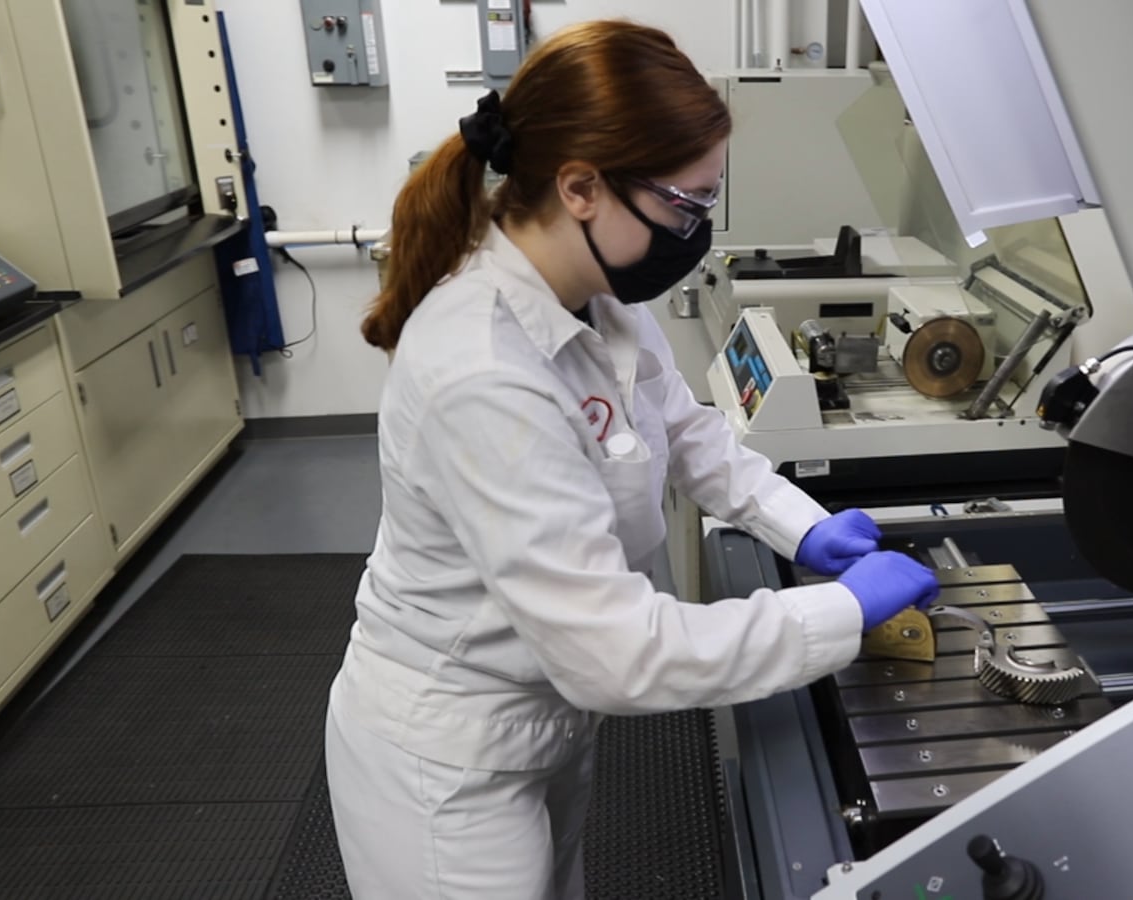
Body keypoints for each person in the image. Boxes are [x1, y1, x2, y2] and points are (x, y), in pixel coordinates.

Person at [322, 19, 940, 900]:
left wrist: (802, 529)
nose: (694, 230)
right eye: (685, 204)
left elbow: (683, 429)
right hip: (448, 759)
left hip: (541, 718)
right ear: (580, 187)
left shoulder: (592, 297)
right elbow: (615, 652)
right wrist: (838, 615)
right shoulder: (482, 368)